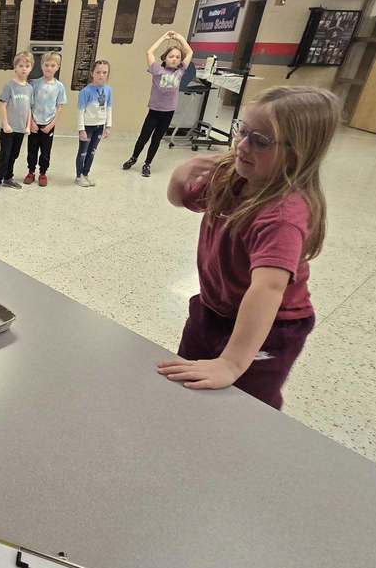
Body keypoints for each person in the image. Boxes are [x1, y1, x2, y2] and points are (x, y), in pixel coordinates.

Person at [157, 86, 341, 410]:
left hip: (270, 328)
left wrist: (231, 362)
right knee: (189, 379)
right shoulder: (233, 175)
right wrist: (179, 177)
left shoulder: (282, 214)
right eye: (243, 131)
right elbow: (179, 199)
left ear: (297, 154)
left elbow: (268, 289)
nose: (242, 146)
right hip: (213, 308)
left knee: (244, 403)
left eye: (260, 141)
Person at [123, 30, 193, 178]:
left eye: (177, 57)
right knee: (144, 137)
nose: (174, 59)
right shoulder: (157, 70)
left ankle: (147, 163)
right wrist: (164, 38)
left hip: (168, 112)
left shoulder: (180, 71)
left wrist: (180, 38)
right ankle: (133, 157)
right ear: (165, 58)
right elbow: (149, 52)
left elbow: (189, 51)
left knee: (157, 139)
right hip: (155, 111)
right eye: (171, 56)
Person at [0, 51, 34, 194]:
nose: (24, 68)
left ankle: (8, 177)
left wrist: (28, 126)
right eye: (21, 65)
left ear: (31, 68)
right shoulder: (9, 85)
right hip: (8, 128)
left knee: (14, 154)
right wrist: (5, 124)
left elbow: (29, 108)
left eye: (27, 66)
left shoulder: (29, 88)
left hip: (21, 129)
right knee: (5, 153)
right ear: (15, 67)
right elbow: (3, 105)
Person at [25, 51, 66, 187]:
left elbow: (59, 107)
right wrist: (31, 122)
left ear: (57, 67)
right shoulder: (34, 84)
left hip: (49, 124)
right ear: (41, 66)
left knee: (45, 151)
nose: (49, 68)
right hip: (35, 123)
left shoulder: (59, 87)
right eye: (46, 65)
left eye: (52, 65)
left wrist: (51, 124)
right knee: (32, 149)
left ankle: (43, 172)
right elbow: (29, 105)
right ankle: (31, 171)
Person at [75, 59, 112, 187]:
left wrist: (108, 126)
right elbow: (80, 111)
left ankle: (86, 174)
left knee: (92, 152)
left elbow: (109, 108)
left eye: (104, 72)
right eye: (98, 72)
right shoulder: (85, 92)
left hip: (99, 126)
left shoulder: (108, 90)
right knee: (83, 152)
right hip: (88, 127)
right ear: (92, 73)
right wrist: (81, 129)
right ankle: (79, 176)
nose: (101, 75)